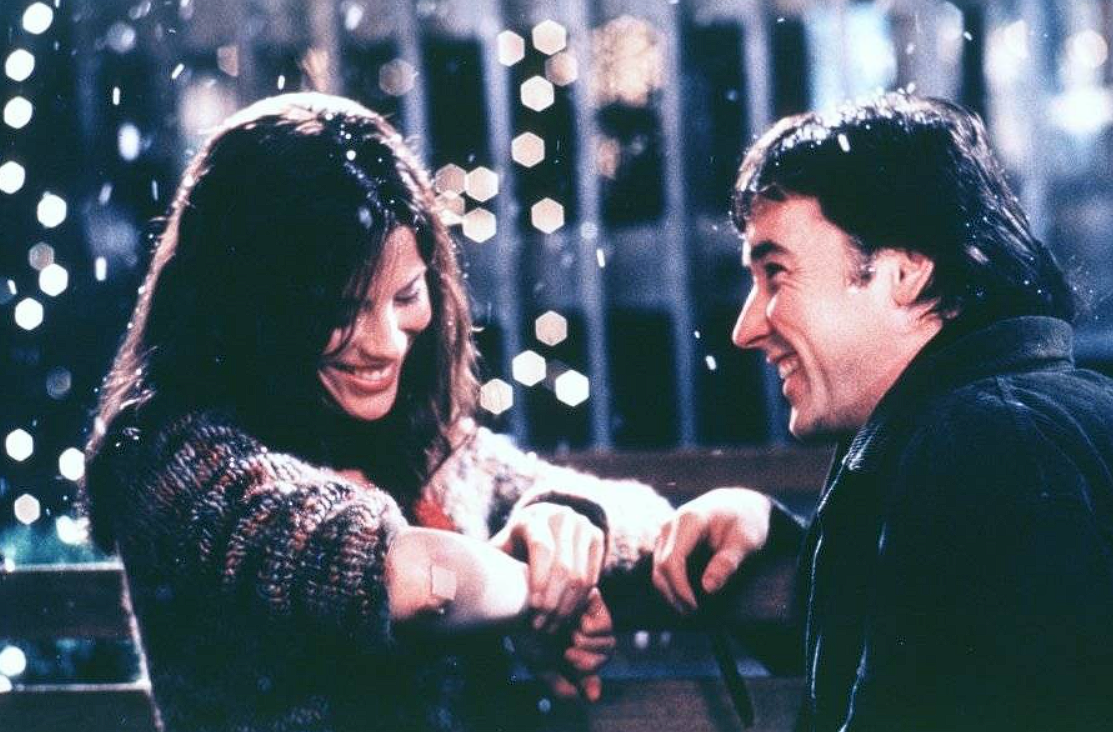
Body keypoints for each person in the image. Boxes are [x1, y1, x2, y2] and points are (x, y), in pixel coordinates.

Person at [83, 92, 673, 732]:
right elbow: (407, 578)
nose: (387, 342)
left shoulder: (422, 446)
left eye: (407, 295)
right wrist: (540, 592)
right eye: (340, 311)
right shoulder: (174, 462)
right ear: (249, 307)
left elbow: (647, 521)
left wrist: (563, 519)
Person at [652, 93, 1113, 731]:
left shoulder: (983, 447)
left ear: (905, 271)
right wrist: (778, 534)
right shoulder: (1011, 425)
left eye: (776, 273)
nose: (745, 328)